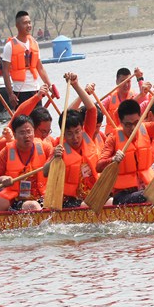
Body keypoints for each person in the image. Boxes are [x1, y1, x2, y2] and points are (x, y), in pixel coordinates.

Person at [96, 87, 154, 205]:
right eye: (128, 124)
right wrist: (113, 159)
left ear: (140, 118)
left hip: (145, 187)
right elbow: (99, 166)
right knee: (150, 194)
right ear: (121, 122)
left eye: (136, 123)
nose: (132, 128)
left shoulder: (146, 129)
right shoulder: (113, 138)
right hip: (123, 195)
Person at [42, 73, 99, 208]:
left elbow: (92, 109)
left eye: (77, 132)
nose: (75, 137)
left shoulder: (87, 135)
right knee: (85, 205)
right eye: (70, 134)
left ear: (82, 129)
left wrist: (76, 85)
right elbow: (45, 171)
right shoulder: (59, 146)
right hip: (69, 200)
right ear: (63, 134)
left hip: (93, 193)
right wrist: (55, 159)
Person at [0, 114, 53, 211]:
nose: (27, 136)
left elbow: (56, 163)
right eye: (22, 132)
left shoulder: (45, 147)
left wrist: (57, 155)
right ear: (15, 135)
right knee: (32, 206)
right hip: (18, 199)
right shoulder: (6, 152)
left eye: (29, 132)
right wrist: (2, 179)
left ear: (34, 131)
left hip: (41, 196)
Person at [2, 10, 54, 109]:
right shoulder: (9, 46)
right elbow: (5, 71)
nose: (28, 25)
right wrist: (10, 94)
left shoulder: (34, 43)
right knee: (24, 123)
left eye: (29, 22)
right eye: (25, 23)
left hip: (36, 90)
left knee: (38, 122)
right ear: (17, 25)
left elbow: (40, 68)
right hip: (20, 92)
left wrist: (49, 85)